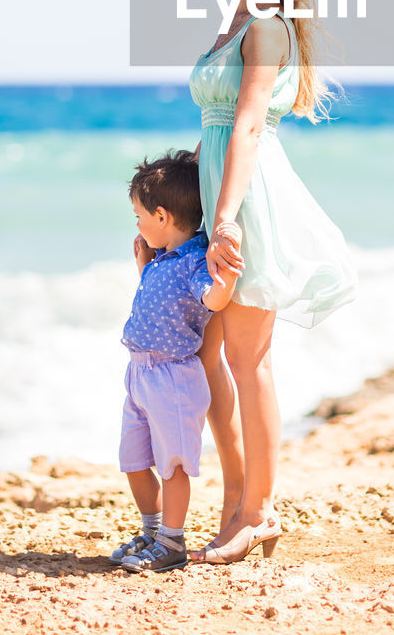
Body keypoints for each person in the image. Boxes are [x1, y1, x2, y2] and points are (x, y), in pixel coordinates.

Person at [188, 0, 357, 565]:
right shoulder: (236, 16)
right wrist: (179, 210)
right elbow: (216, 126)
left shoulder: (265, 27)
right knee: (209, 358)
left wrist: (225, 216)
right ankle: (237, 500)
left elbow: (250, 124)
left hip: (248, 197)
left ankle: (255, 512)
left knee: (246, 359)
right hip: (217, 192)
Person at [109, 150, 238, 574]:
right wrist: (145, 267)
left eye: (139, 216)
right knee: (134, 459)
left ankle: (171, 541)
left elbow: (212, 298)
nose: (138, 225)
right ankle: (151, 531)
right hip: (140, 373)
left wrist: (227, 279)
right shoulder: (163, 257)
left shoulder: (196, 260)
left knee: (173, 464)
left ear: (162, 216)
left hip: (173, 376)